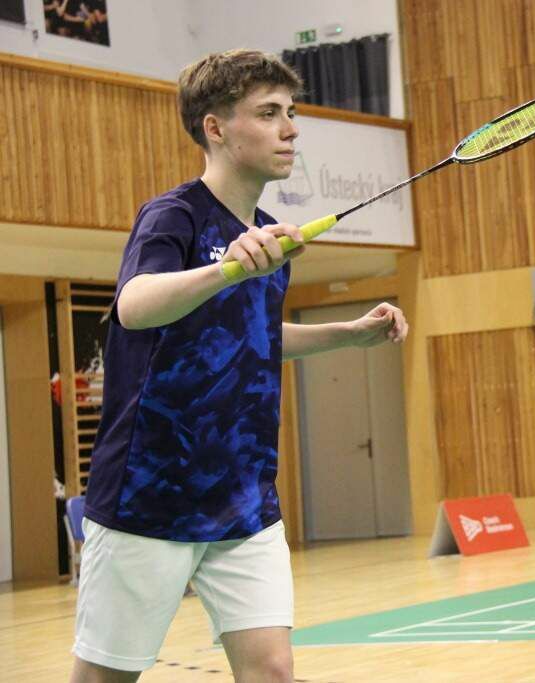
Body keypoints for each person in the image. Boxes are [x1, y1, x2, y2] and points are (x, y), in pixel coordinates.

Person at [70, 49, 408, 683]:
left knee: (272, 672)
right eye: (269, 113)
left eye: (291, 112)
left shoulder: (270, 235)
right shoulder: (174, 216)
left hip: (244, 497)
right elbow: (134, 306)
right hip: (150, 495)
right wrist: (227, 267)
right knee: (104, 678)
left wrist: (347, 335)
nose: (291, 129)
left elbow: (251, 337)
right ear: (216, 128)